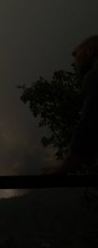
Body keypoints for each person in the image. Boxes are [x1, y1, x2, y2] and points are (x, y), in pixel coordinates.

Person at [44, 35, 98, 174]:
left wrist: (64, 169)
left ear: (90, 51)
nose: (73, 63)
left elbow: (89, 126)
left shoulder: (95, 77)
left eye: (75, 55)